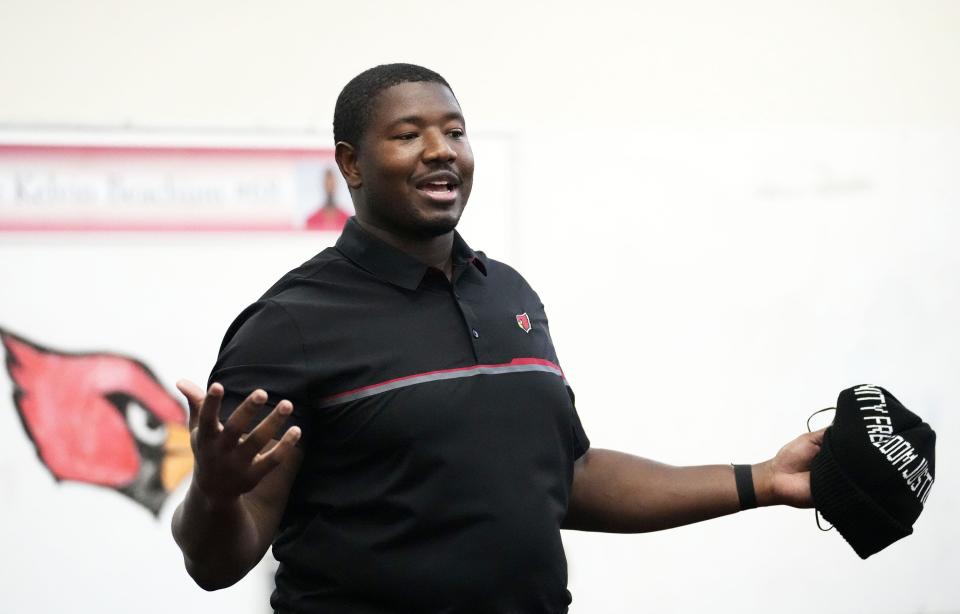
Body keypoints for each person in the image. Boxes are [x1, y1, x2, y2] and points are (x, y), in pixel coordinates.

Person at [171, 64, 824, 614]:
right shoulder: (291, 322)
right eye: (408, 134)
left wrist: (762, 480)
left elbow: (567, 477)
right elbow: (216, 563)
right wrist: (214, 493)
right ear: (353, 164)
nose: (441, 150)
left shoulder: (508, 294)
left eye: (455, 132)